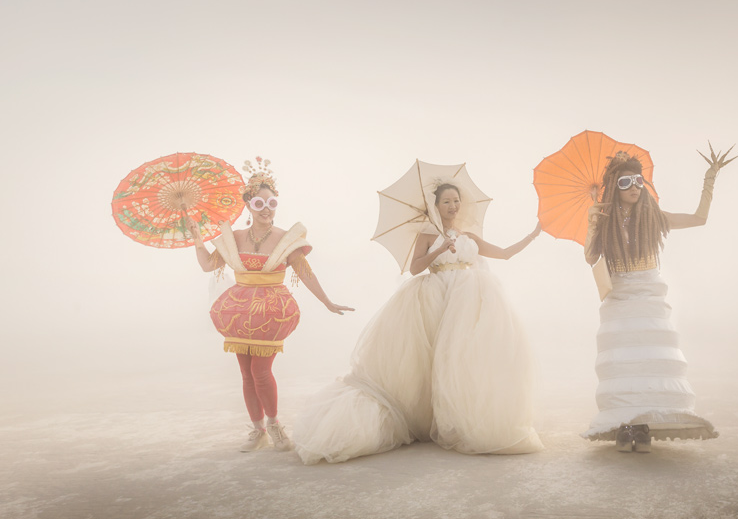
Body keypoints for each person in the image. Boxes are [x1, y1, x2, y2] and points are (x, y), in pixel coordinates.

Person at [293, 180, 544, 464]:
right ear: (435, 206)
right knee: (428, 358)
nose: (453, 206)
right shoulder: (426, 234)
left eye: (456, 201)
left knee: (460, 358)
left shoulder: (469, 235)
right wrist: (439, 249)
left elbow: (505, 253)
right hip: (436, 297)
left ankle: (458, 417)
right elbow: (414, 268)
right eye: (447, 201)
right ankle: (425, 417)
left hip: (467, 300)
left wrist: (534, 233)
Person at [185, 157, 353, 452]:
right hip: (237, 311)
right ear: (248, 204)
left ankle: (274, 425)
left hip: (270, 313)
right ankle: (257, 430)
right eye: (259, 204)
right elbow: (208, 265)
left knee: (261, 372)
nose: (267, 210)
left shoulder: (285, 238)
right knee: (246, 373)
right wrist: (198, 239)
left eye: (271, 203)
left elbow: (304, 272)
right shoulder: (234, 237)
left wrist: (326, 301)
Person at [582, 145, 737, 452]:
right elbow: (590, 258)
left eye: (639, 182)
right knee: (625, 363)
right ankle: (627, 427)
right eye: (625, 183)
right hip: (621, 295)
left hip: (649, 293)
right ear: (614, 187)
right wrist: (591, 223)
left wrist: (709, 180)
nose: (634, 188)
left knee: (650, 361)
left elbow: (699, 218)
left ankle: (642, 428)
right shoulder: (605, 220)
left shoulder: (654, 218)